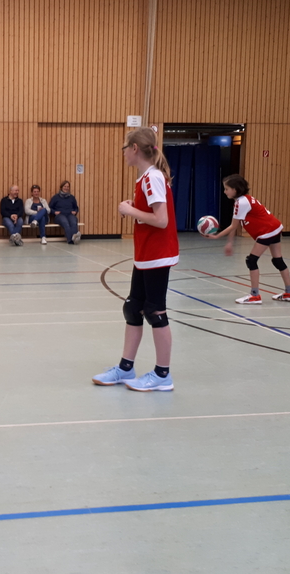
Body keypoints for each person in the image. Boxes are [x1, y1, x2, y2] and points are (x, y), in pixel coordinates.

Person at [93, 128, 178, 392]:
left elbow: (161, 220)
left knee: (155, 312)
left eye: (124, 148)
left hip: (157, 254)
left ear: (134, 149)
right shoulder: (144, 178)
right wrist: (136, 207)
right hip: (145, 254)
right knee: (133, 308)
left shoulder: (153, 177)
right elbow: (151, 212)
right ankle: (125, 368)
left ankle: (162, 375)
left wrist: (130, 211)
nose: (123, 153)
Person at [207, 175, 290, 304]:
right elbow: (236, 224)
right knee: (278, 260)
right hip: (275, 227)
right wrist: (229, 243)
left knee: (251, 260)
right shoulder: (244, 200)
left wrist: (217, 236)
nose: (225, 191)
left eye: (227, 189)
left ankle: (255, 295)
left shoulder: (241, 203)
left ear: (235, 189)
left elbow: (233, 226)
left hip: (267, 231)